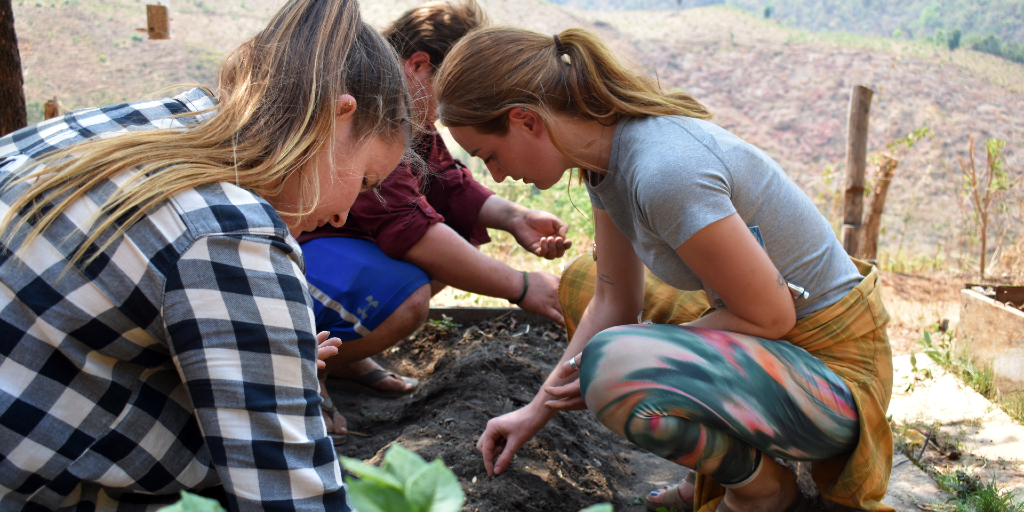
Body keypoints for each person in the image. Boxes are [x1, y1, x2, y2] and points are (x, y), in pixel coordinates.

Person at [434, 26, 894, 512]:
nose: (498, 176)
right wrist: (535, 410)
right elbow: (614, 297)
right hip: (782, 351)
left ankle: (760, 489)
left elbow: (771, 318)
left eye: (489, 155)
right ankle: (720, 464)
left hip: (834, 381)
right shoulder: (602, 159)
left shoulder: (664, 172)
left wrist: (645, 351)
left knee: (614, 364)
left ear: (526, 120)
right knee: (584, 287)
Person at [0, 0, 410, 509]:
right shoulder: (233, 237)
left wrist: (270, 358)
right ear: (335, 118)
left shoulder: (139, 123)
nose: (344, 215)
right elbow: (291, 497)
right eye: (365, 179)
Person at [297, 0, 572, 440]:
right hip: (298, 255)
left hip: (336, 248)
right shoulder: (365, 110)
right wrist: (520, 286)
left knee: (457, 235)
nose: (451, 108)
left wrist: (516, 216)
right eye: (452, 89)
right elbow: (406, 225)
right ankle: (304, 372)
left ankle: (342, 355)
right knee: (410, 293)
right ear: (419, 65)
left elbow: (448, 183)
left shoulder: (408, 112)